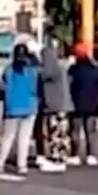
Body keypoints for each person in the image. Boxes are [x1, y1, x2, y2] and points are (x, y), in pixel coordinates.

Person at [0, 42, 39, 175]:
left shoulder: (9, 69)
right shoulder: (32, 70)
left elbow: (1, 87)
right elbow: (36, 87)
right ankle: (21, 165)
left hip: (12, 107)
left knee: (8, 137)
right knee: (24, 138)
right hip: (30, 106)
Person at [36, 41, 74, 172]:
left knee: (56, 134)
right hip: (63, 105)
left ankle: (56, 160)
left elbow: (43, 76)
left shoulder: (51, 69)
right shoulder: (60, 67)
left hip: (55, 105)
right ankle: (61, 158)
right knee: (61, 134)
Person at [67, 42, 98, 167]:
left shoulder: (73, 70)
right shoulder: (95, 70)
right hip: (93, 104)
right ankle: (91, 155)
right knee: (91, 131)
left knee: (75, 130)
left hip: (76, 104)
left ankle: (75, 154)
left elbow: (68, 86)